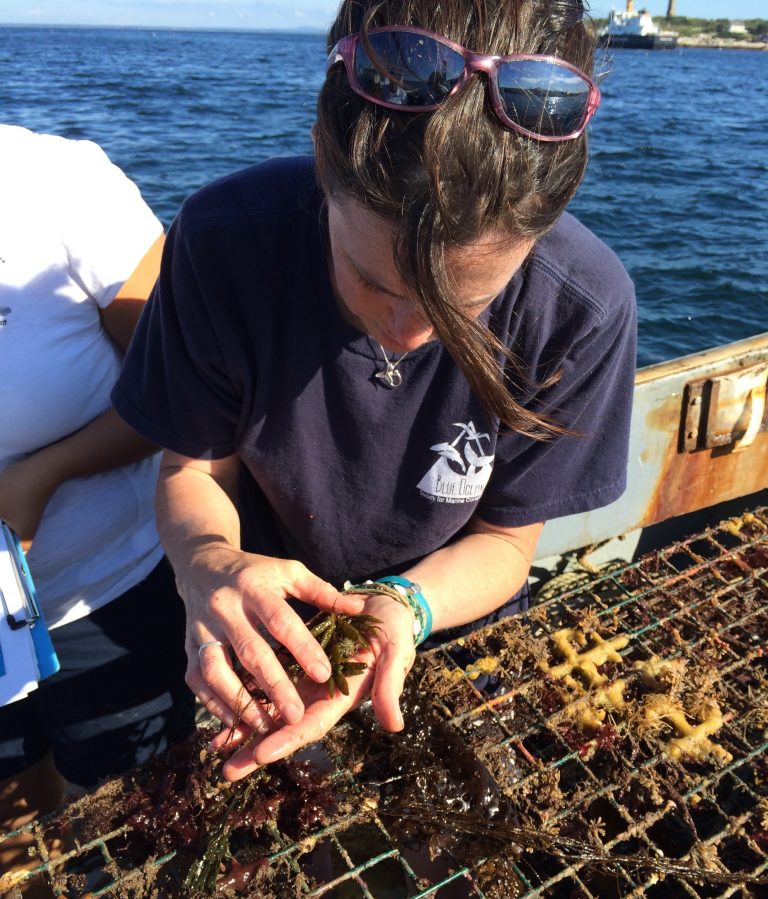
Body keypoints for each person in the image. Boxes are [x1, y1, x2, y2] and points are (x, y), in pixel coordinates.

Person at [114, 0, 634, 789]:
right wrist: (208, 562)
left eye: (459, 306)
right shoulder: (222, 242)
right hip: (269, 615)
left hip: (453, 616)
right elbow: (193, 470)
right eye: (372, 282)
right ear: (324, 159)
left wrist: (406, 607)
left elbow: (505, 543)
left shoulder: (584, 305)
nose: (406, 332)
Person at [0, 125, 195, 899]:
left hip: (106, 594)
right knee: (9, 799)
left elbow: (180, 390)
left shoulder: (56, 182)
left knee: (135, 805)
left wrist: (41, 476)